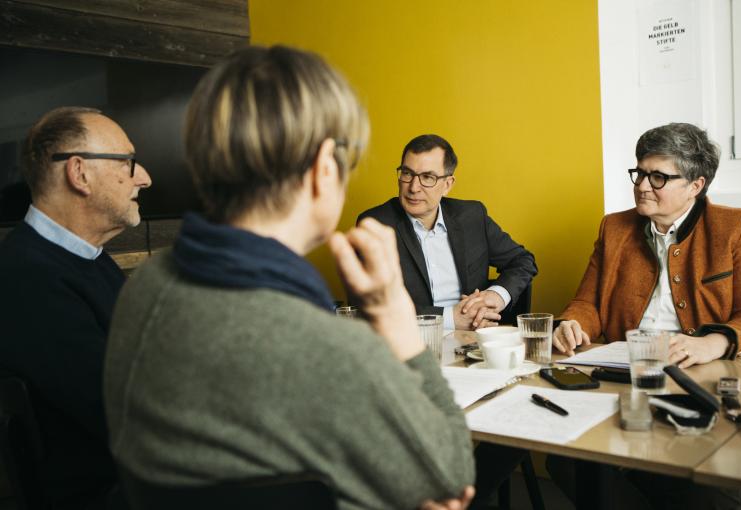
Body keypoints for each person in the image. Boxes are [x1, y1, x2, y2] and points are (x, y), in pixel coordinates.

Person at [103, 46, 475, 510]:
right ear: (323, 169)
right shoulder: (334, 349)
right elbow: (450, 471)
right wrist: (398, 321)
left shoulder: (144, 286)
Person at [550, 122, 741, 510]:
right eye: (640, 172)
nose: (643, 184)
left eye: (658, 176)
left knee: (701, 481)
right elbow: (587, 303)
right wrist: (571, 323)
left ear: (695, 184)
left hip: (713, 379)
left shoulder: (738, 226)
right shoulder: (615, 228)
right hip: (630, 376)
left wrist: (715, 341)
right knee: (567, 457)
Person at [0, 106, 152, 509]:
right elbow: (127, 416)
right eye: (128, 162)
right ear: (79, 173)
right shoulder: (28, 279)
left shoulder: (87, 257)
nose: (144, 177)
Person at [358, 134, 537, 331]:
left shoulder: (472, 217)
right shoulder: (375, 226)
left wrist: (497, 295)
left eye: (427, 177)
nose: (413, 187)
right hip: (409, 343)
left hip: (474, 344)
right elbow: (370, 305)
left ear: (447, 185)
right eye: (407, 173)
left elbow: (523, 261)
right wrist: (449, 319)